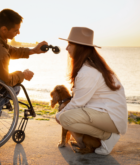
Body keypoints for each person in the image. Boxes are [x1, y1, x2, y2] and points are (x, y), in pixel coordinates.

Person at [55, 27, 128, 155]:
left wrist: (58, 116)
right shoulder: (90, 65)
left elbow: (78, 103)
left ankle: (107, 136)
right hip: (108, 115)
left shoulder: (87, 71)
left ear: (80, 47)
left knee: (64, 118)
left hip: (111, 118)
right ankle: (103, 136)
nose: (66, 48)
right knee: (65, 117)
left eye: (69, 45)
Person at [0, 9, 47, 130]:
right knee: (16, 86)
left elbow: (8, 50)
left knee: (13, 81)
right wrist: (23, 75)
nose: (18, 33)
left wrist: (32, 51)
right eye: (16, 30)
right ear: (4, 29)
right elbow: (6, 81)